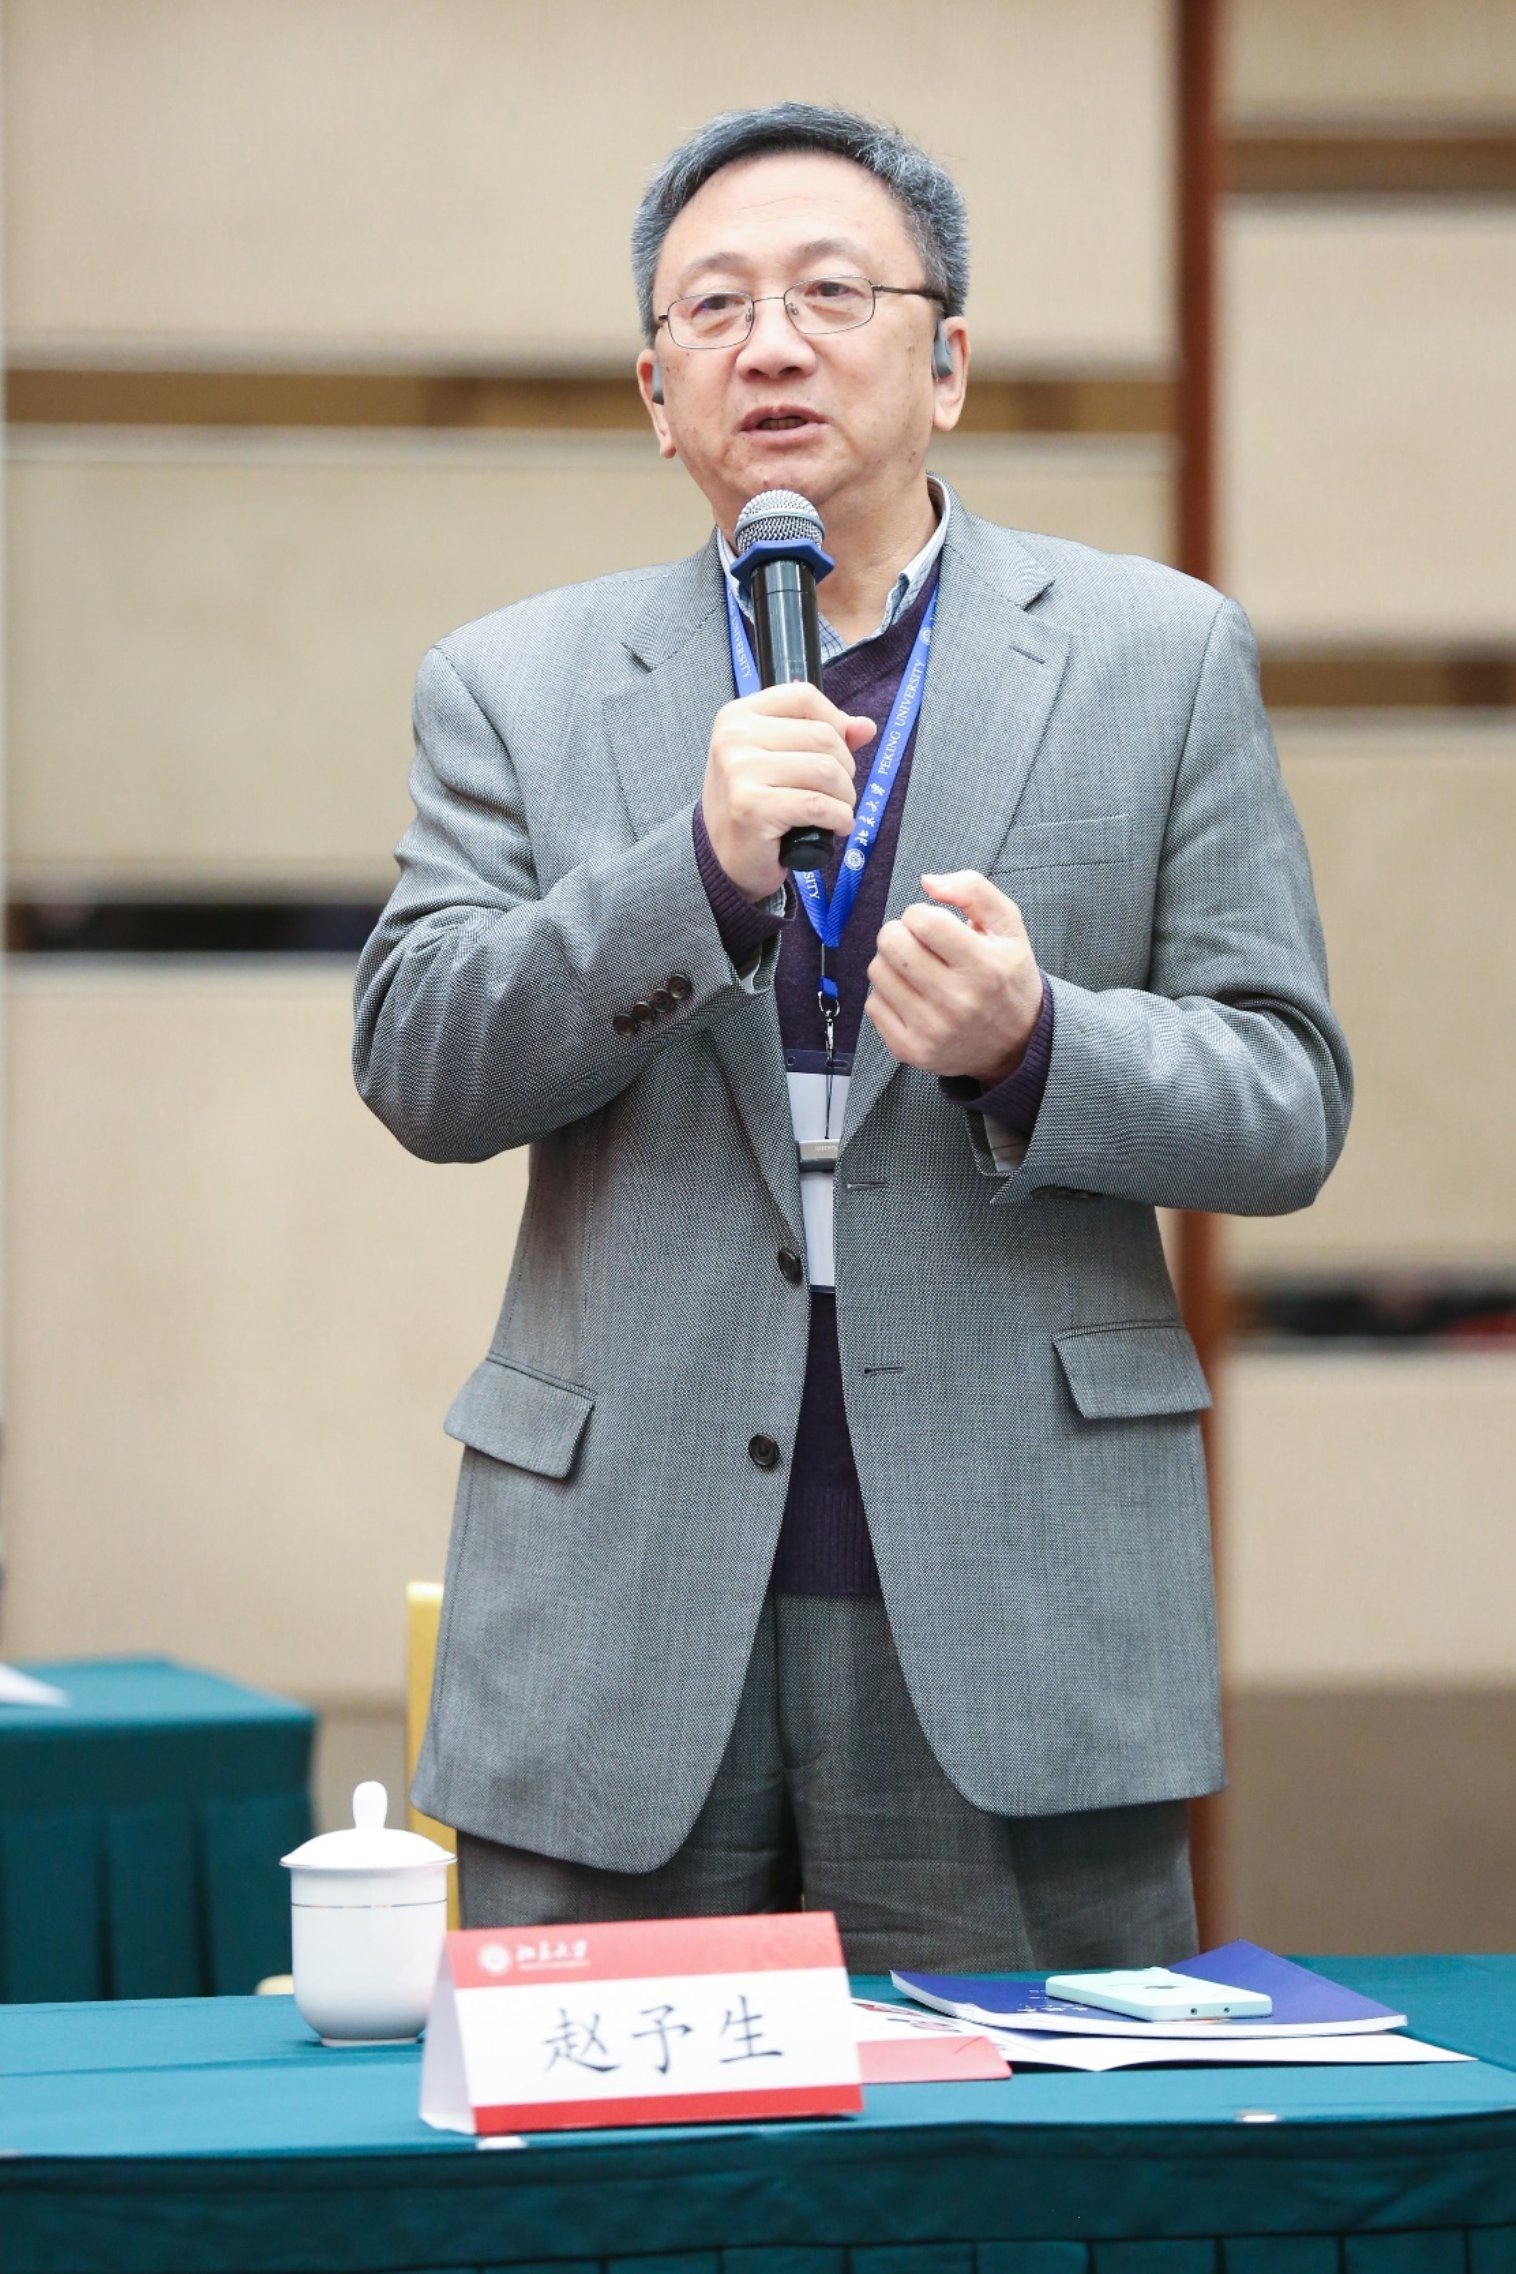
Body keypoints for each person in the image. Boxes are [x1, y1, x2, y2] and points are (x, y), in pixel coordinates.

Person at [353, 104, 1351, 1971]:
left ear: (946, 361)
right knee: (623, 2144)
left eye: (831, 294)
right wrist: (695, 880)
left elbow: (1288, 1098)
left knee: (1018, 2132)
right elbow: (419, 1057)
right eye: (715, 308)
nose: (773, 345)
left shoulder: (1158, 657)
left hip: (1015, 1589)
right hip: (618, 1603)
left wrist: (1038, 1045)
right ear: (658, 396)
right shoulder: (513, 683)